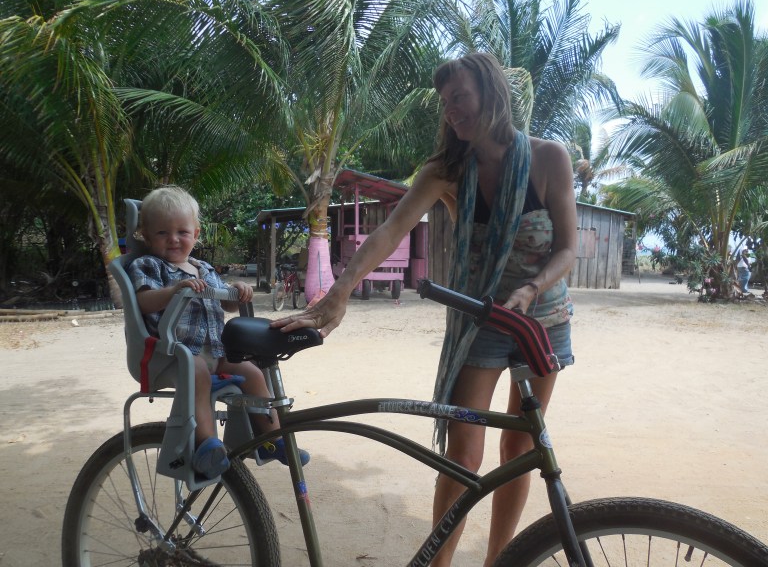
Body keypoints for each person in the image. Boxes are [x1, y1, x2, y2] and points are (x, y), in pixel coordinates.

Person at [272, 52, 576, 566]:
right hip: (479, 322)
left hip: (541, 322)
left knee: (520, 450)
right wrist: (338, 293)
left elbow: (568, 247)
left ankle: (499, 560)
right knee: (463, 457)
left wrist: (531, 289)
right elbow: (391, 230)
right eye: (445, 103)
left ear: (491, 92)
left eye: (460, 97)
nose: (451, 111)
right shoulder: (447, 171)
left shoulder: (549, 159)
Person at [128, 185, 309, 479]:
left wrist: (236, 291)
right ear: (146, 236)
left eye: (182, 232)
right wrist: (174, 291)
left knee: (252, 372)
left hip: (215, 350)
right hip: (173, 353)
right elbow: (143, 302)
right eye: (162, 233)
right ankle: (207, 445)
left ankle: (270, 440)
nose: (173, 239)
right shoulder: (148, 264)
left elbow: (225, 303)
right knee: (196, 370)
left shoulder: (204, 268)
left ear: (196, 234)